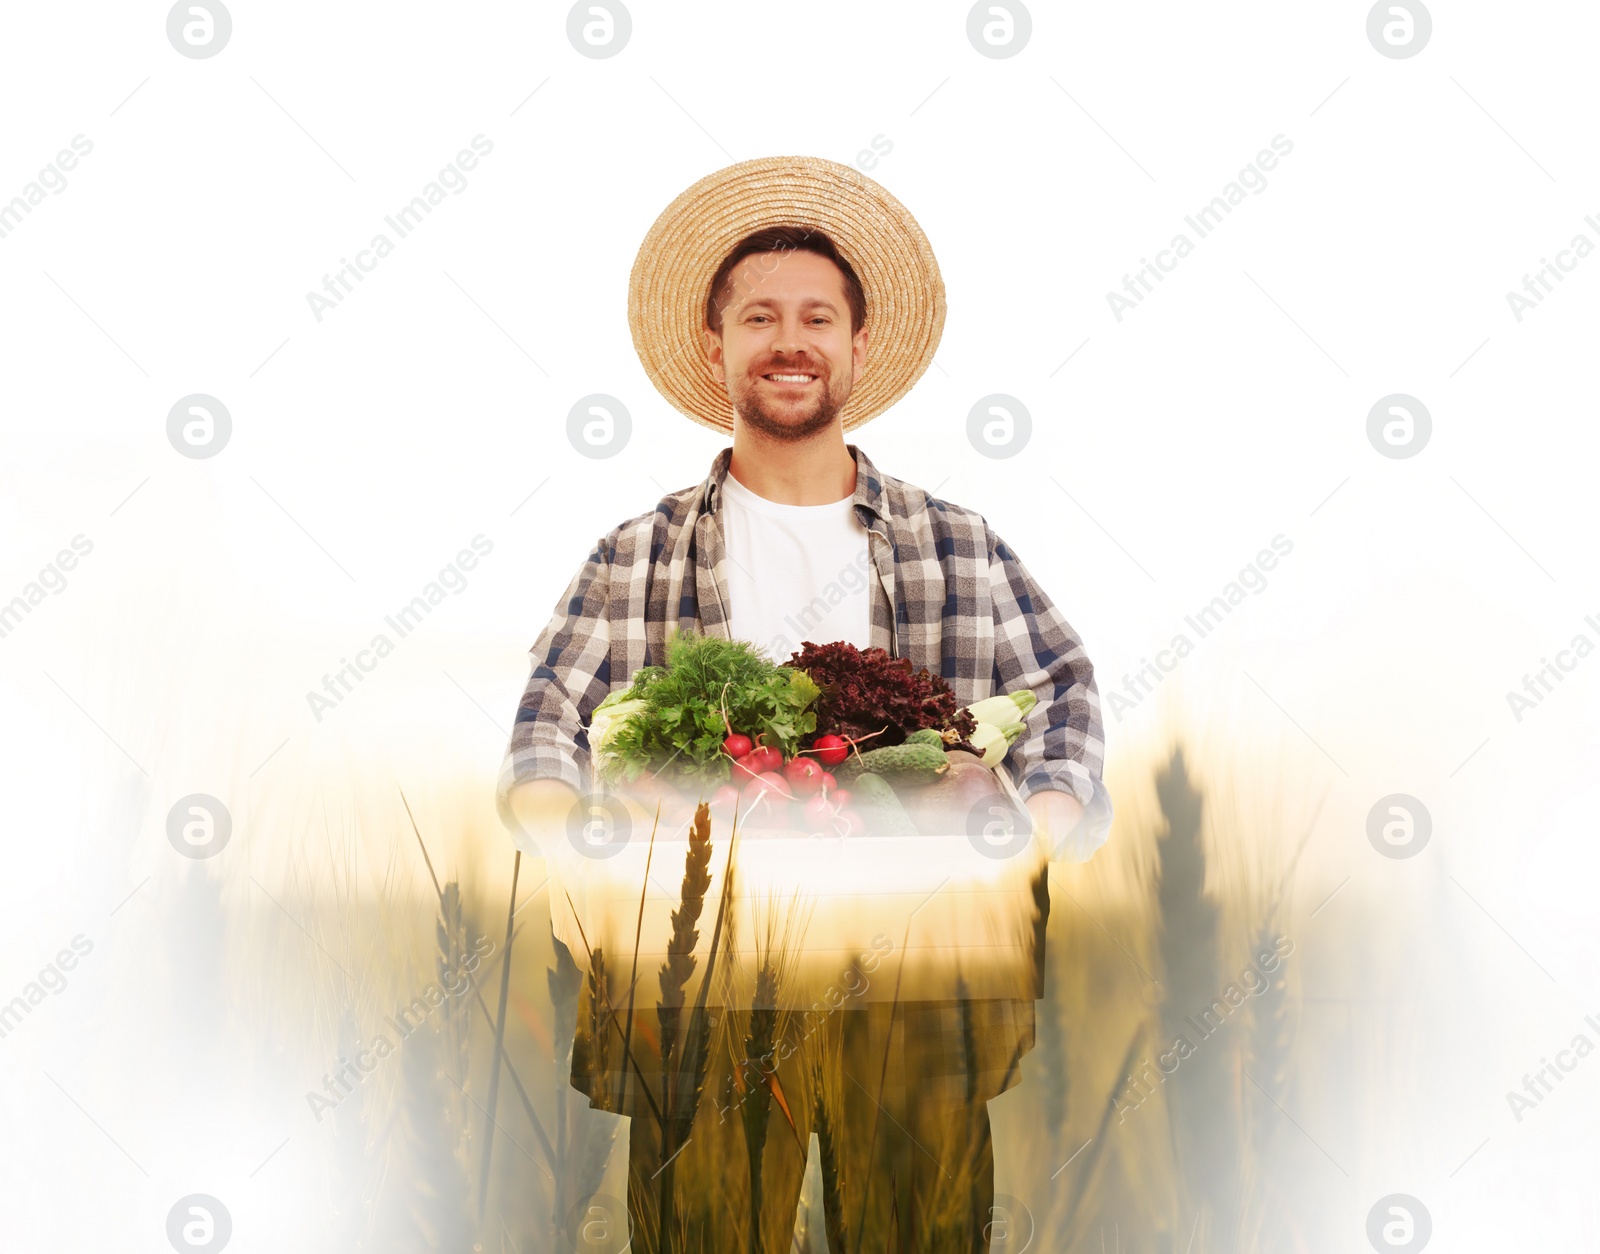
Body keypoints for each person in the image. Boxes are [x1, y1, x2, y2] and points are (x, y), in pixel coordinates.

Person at [497, 156, 1112, 1252]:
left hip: (921, 975)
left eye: (818, 317)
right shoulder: (637, 553)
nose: (792, 341)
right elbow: (547, 718)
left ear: (857, 347)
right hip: (702, 989)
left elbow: (1061, 693)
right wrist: (580, 849)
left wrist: (1031, 840)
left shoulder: (955, 542)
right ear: (715, 344)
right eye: (760, 317)